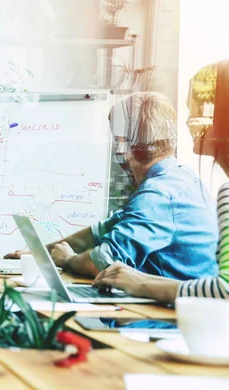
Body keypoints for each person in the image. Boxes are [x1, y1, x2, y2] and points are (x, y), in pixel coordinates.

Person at [6, 92, 218, 280]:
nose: (117, 148)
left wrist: (68, 260)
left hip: (163, 319)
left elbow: (102, 262)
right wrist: (39, 253)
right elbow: (99, 232)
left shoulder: (157, 195)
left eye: (118, 139)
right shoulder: (181, 178)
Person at [93, 61, 229, 302]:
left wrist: (140, 284)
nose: (189, 123)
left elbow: (225, 290)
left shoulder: (170, 191)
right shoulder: (187, 180)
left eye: (200, 113)